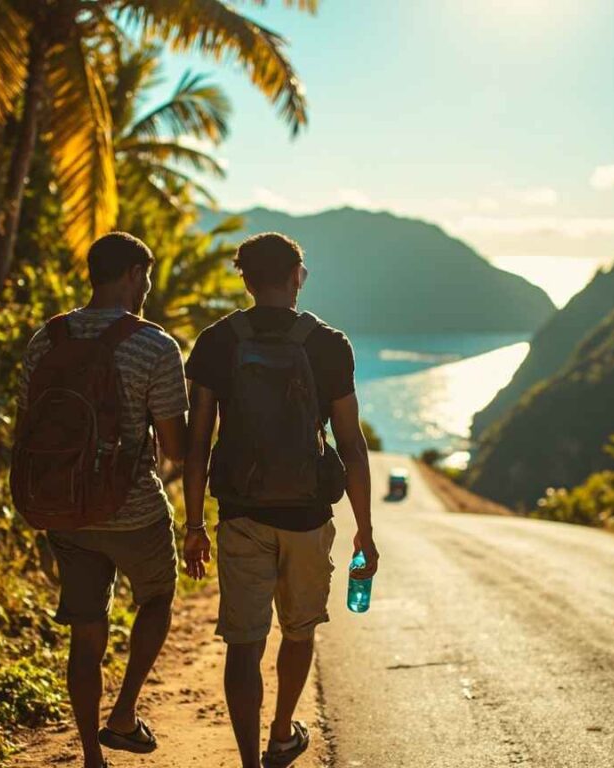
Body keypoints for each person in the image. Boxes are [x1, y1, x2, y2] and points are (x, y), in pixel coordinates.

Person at [182, 232, 379, 768]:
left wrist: (194, 523)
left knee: (243, 643)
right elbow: (351, 443)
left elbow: (197, 442)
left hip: (242, 514)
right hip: (309, 516)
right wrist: (364, 528)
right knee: (299, 631)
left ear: (244, 279)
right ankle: (281, 734)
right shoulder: (329, 344)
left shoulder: (216, 342)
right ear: (297, 276)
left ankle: (249, 761)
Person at [16, 232, 193, 768]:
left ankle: (92, 756)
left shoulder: (44, 340)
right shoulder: (154, 345)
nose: (147, 288)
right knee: (158, 598)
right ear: (134, 274)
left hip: (63, 507)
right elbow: (175, 448)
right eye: (146, 277)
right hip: (132, 509)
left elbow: (27, 428)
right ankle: (124, 711)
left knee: (86, 630)